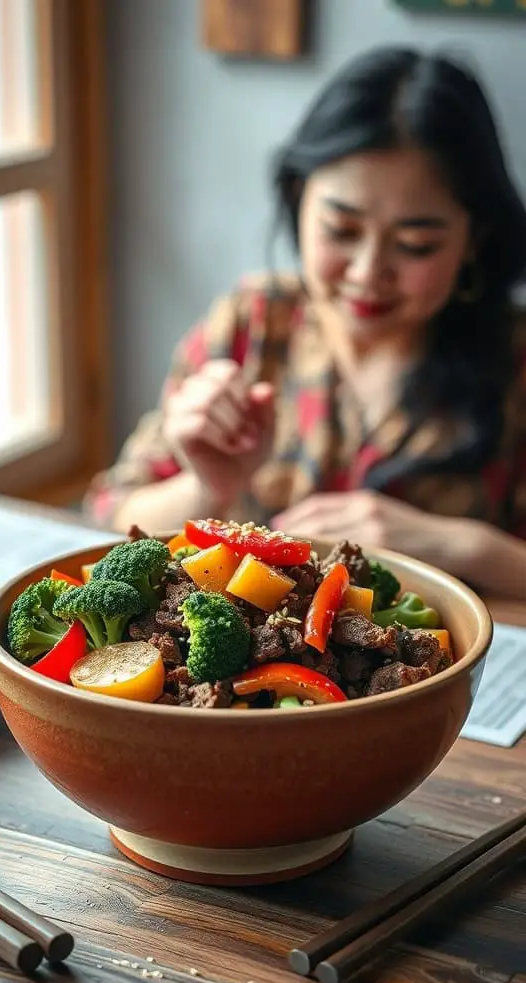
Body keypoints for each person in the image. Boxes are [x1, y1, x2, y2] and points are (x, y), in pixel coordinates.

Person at [85, 46, 526, 598]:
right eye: (341, 230)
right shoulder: (253, 323)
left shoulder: (515, 359)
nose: (368, 273)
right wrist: (207, 488)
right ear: (298, 199)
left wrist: (460, 544)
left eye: (416, 245)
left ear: (474, 238)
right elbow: (109, 513)